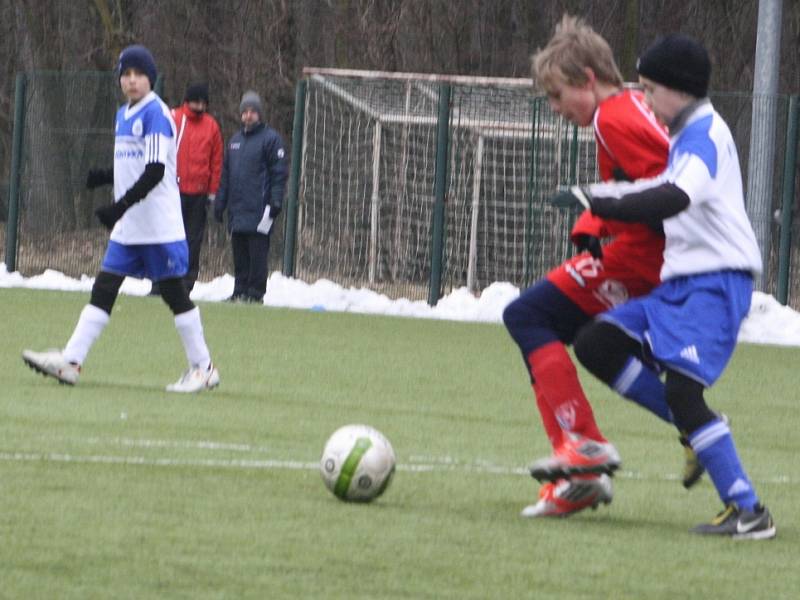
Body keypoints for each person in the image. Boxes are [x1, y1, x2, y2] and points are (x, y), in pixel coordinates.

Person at [555, 34, 775, 539]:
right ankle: (695, 425)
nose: (646, 99)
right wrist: (593, 195)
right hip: (682, 283)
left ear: (679, 89)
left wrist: (604, 205)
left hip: (715, 282)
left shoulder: (704, 134)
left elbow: (674, 196)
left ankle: (749, 510)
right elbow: (653, 187)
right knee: (597, 342)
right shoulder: (684, 136)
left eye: (650, 89)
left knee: (683, 389)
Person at [502, 15, 681, 518]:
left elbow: (672, 187)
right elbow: (649, 179)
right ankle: (587, 466)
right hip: (641, 255)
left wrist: (604, 220)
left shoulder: (613, 119)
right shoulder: (631, 109)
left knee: (528, 316)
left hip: (644, 262)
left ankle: (583, 450)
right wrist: (595, 219)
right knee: (583, 339)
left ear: (586, 78)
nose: (556, 110)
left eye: (558, 97)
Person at [22, 44, 220, 393]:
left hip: (157, 224)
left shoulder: (156, 114)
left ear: (150, 78)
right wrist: (106, 176)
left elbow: (157, 169)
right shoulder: (122, 114)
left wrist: (119, 206)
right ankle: (71, 360)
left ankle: (203, 367)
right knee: (104, 287)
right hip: (130, 227)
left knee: (174, 293)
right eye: (125, 75)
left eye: (138, 74)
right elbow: (134, 165)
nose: (131, 81)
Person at [214, 90, 288, 303]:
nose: (248, 115)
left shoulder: (271, 140)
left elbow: (278, 173)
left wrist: (275, 201)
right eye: (245, 112)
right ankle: (239, 290)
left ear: (259, 114)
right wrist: (221, 202)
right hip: (237, 209)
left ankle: (255, 294)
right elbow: (226, 175)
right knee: (239, 254)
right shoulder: (234, 141)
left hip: (260, 209)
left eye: (252, 112)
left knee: (257, 254)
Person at [152, 82, 223, 295]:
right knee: (166, 238)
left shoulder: (211, 126)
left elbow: (216, 162)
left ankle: (185, 283)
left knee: (192, 241)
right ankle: (160, 282)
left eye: (203, 102)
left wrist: (212, 192)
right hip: (173, 190)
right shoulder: (174, 119)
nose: (199, 106)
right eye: (196, 101)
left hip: (198, 194)